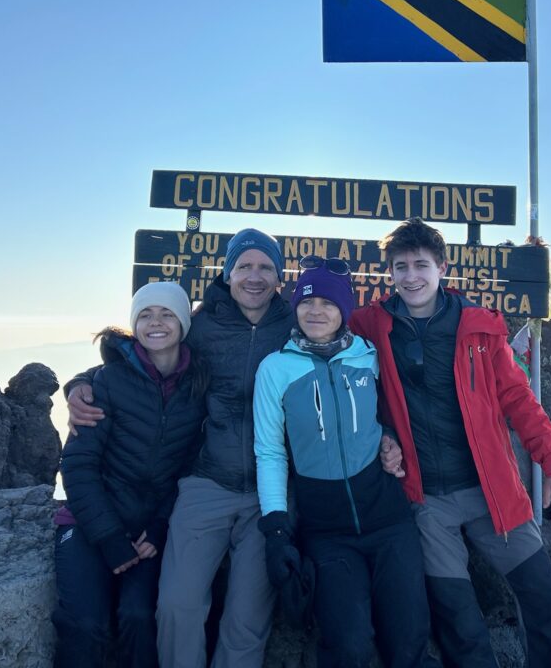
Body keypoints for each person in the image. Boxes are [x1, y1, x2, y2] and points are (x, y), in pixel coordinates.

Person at [349, 218, 551, 668]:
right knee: (458, 623)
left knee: (547, 605)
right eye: (400, 267)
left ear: (442, 268)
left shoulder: (479, 327)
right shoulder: (370, 325)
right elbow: (336, 353)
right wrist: (385, 435)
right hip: (427, 500)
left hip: (491, 491)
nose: (411, 276)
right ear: (389, 273)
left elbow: (518, 399)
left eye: (421, 265)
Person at [66, 228, 293, 668]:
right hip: (205, 483)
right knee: (177, 605)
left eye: (266, 267)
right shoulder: (202, 325)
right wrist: (82, 384)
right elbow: (146, 354)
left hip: (272, 491)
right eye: (244, 266)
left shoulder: (292, 324)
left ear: (278, 276)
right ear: (227, 273)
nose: (254, 276)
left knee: (246, 620)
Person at [253, 256, 439, 668]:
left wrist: (389, 438)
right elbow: (269, 451)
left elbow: (390, 417)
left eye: (329, 303)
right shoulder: (275, 368)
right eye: (306, 302)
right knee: (348, 645)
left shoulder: (369, 356)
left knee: (409, 640)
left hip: (389, 521)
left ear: (345, 310)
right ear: (294, 307)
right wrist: (277, 529)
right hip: (327, 532)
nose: (316, 311)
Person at [54, 281, 205, 668]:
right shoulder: (107, 382)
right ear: (134, 324)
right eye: (145, 315)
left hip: (149, 531)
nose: (156, 322)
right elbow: (77, 463)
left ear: (184, 322)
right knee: (85, 623)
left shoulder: (197, 386)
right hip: (91, 524)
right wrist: (109, 539)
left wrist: (157, 528)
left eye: (167, 313)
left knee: (139, 617)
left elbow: (190, 468)